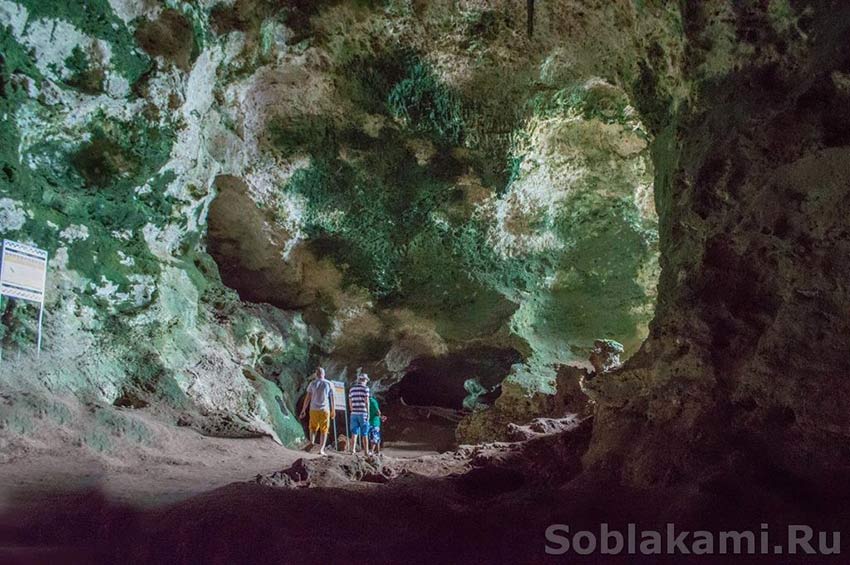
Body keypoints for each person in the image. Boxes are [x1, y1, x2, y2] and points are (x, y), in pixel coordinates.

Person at [299, 367, 335, 455]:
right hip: (325, 410)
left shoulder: (312, 383)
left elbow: (308, 398)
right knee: (324, 430)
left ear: (316, 374)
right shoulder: (329, 383)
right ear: (324, 374)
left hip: (313, 409)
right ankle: (321, 449)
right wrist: (333, 410)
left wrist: (303, 409)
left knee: (313, 427)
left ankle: (312, 442)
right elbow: (332, 398)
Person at [348, 374, 371, 455]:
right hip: (363, 413)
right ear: (364, 380)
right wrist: (368, 413)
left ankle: (352, 450)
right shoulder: (365, 389)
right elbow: (367, 401)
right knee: (365, 433)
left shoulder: (352, 389)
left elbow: (350, 401)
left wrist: (352, 410)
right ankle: (366, 452)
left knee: (354, 432)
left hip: (354, 413)